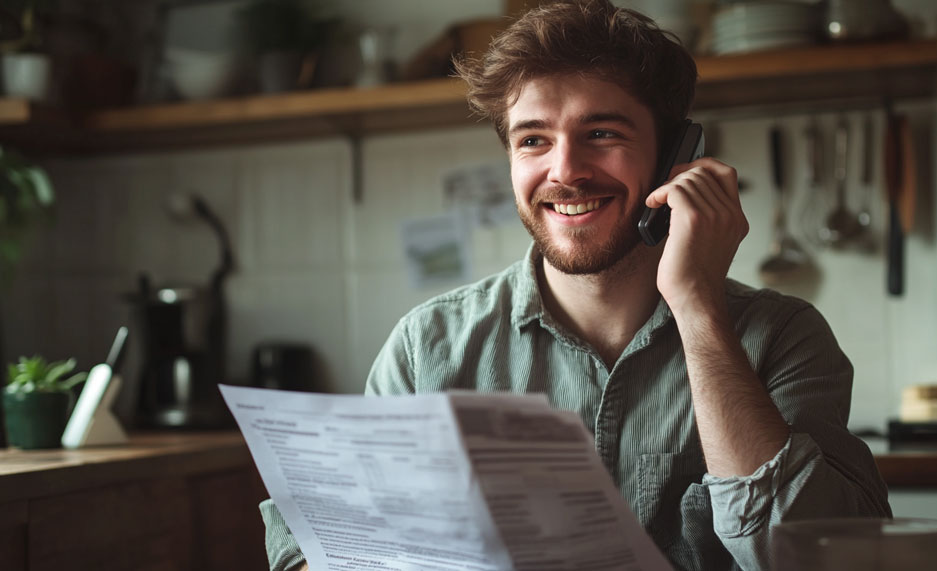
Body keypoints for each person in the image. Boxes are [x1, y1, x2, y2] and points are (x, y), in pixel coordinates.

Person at [259, 1, 891, 569]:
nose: (565, 171)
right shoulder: (429, 348)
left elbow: (824, 558)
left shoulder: (782, 337)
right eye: (533, 140)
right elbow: (317, 545)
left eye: (602, 134)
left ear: (675, 157)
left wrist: (698, 307)